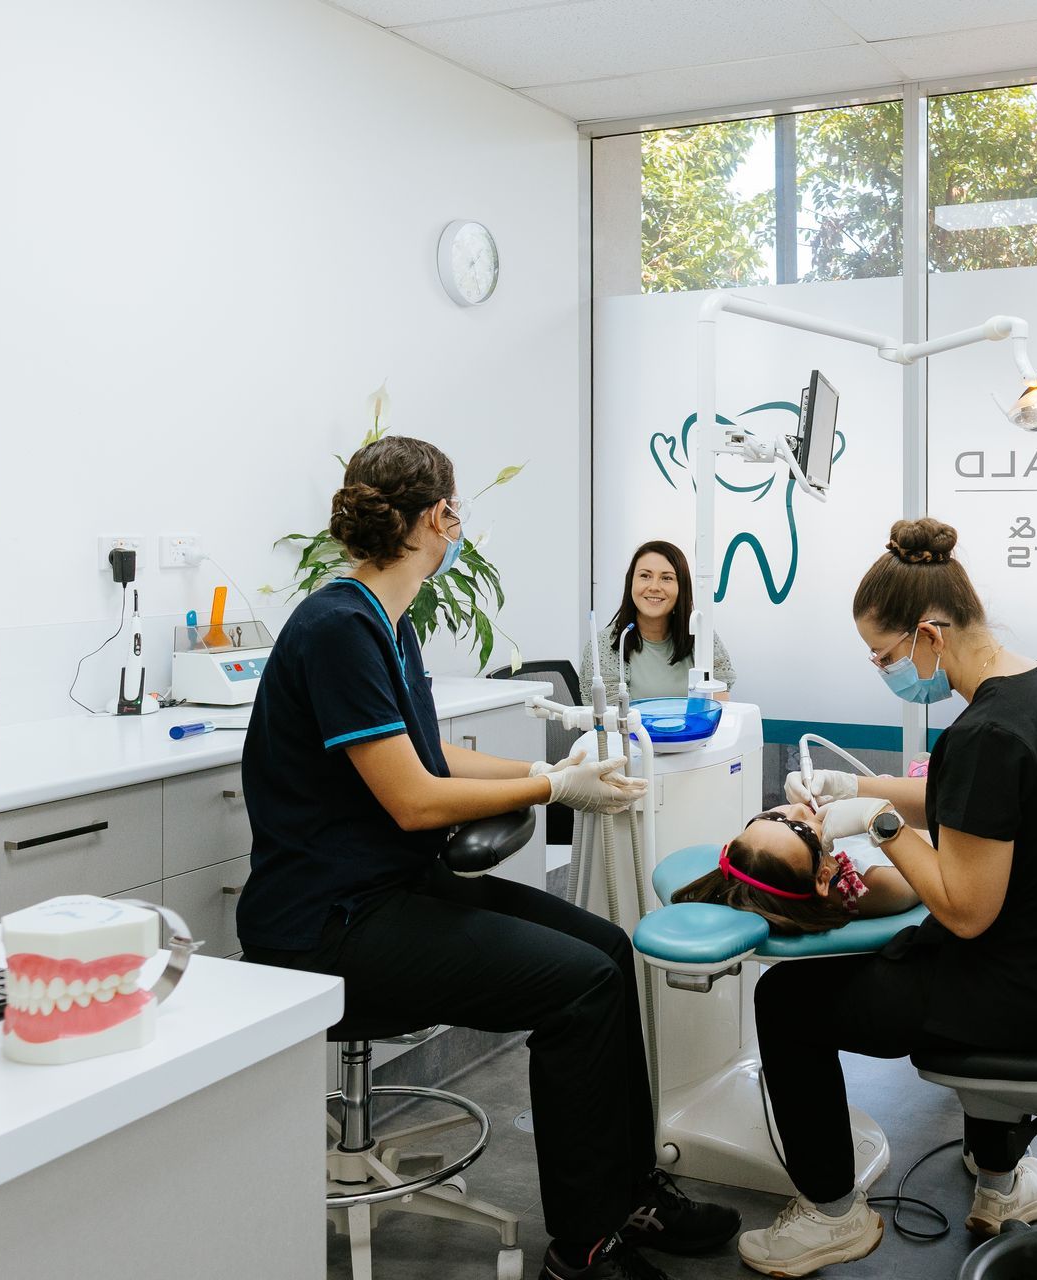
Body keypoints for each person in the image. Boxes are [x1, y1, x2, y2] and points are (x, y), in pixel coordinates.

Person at [236, 436, 740, 1280]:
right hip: (327, 924)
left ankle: (630, 1192)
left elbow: (433, 755)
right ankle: (585, 1247)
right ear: (439, 519)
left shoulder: (386, 623)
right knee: (577, 990)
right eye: (455, 512)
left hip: (394, 887)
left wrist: (553, 768)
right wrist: (551, 794)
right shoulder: (338, 628)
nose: (457, 526)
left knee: (608, 950)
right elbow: (414, 798)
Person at [735, 517, 1037, 1278]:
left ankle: (829, 1215)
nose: (885, 670)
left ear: (928, 634)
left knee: (787, 1002)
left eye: (884, 657)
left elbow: (964, 909)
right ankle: (1000, 1181)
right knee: (922, 957)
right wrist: (850, 786)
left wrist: (881, 825)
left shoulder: (987, 733)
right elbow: (972, 808)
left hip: (1024, 993)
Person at [670, 802, 920, 934]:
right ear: (823, 878)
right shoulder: (871, 888)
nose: (797, 808)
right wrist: (881, 819)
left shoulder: (789, 858)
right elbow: (935, 853)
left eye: (772, 818)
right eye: (800, 829)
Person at [581, 540, 735, 700]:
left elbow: (719, 705)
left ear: (681, 587)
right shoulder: (604, 646)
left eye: (666, 578)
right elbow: (611, 719)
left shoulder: (702, 637)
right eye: (645, 576)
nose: (654, 586)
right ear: (631, 583)